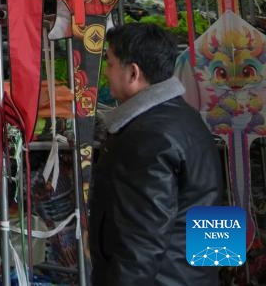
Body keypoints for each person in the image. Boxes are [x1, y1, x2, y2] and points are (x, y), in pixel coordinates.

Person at [89, 23, 223, 285]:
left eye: (111, 63)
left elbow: (140, 241)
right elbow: (213, 214)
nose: (106, 72)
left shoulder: (146, 136)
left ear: (133, 72)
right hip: (192, 275)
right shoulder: (187, 119)